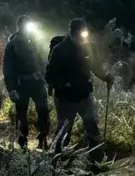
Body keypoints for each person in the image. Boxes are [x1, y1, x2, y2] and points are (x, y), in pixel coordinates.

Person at [45, 18, 114, 154]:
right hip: (66, 98)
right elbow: (50, 74)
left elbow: (94, 66)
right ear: (73, 33)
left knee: (92, 125)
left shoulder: (87, 48)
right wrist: (63, 84)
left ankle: (95, 156)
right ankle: (57, 159)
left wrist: (106, 77)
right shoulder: (60, 50)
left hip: (84, 95)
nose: (84, 37)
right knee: (64, 130)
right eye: (81, 34)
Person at [3, 15, 51, 150]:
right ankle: (23, 139)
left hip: (37, 83)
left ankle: (43, 137)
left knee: (43, 110)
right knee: (21, 113)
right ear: (19, 27)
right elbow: (8, 69)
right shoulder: (12, 45)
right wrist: (11, 88)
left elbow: (42, 61)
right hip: (21, 84)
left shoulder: (35, 42)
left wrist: (45, 78)